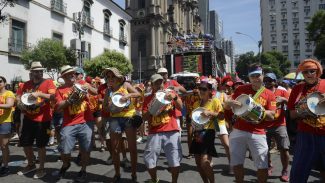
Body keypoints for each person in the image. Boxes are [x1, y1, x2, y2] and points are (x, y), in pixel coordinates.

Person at [224, 64, 276, 183]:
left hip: (258, 133)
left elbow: (272, 116)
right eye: (252, 76)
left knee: (262, 165)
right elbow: (227, 107)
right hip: (238, 130)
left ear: (263, 75)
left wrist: (257, 110)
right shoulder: (240, 89)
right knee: (236, 163)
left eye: (258, 75)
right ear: (249, 77)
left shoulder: (269, 94)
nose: (255, 78)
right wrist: (229, 103)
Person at [16, 62, 56, 179]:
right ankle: (31, 164)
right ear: (31, 72)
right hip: (28, 118)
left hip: (43, 120)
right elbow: (18, 97)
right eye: (36, 71)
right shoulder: (25, 84)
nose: (38, 73)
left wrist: (39, 94)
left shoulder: (48, 82)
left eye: (40, 71)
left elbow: (53, 97)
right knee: (25, 143)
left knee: (41, 145)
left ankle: (41, 168)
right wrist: (19, 104)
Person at [288, 59, 325, 182]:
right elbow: (292, 114)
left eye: (312, 71)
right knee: (298, 173)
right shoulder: (297, 89)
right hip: (305, 135)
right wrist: (304, 110)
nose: (309, 74)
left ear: (318, 71)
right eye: (305, 72)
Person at [54, 65, 93, 182]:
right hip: (69, 123)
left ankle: (83, 170)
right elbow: (58, 108)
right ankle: (66, 164)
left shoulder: (82, 85)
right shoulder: (60, 90)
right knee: (65, 149)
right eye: (69, 74)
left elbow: (96, 92)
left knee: (85, 149)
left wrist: (88, 87)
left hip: (86, 121)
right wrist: (70, 100)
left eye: (73, 73)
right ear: (64, 76)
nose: (72, 75)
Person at [142, 74, 183, 183]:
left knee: (175, 160)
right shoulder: (148, 98)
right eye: (156, 83)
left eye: (160, 82)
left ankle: (174, 181)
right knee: (149, 161)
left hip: (172, 130)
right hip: (154, 132)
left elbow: (180, 107)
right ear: (152, 84)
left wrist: (174, 97)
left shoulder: (171, 93)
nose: (159, 85)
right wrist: (152, 107)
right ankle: (155, 179)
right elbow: (144, 117)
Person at [102, 67, 140, 182]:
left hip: (128, 117)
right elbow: (104, 107)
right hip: (115, 119)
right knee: (115, 149)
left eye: (112, 76)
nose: (110, 78)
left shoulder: (125, 85)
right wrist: (108, 105)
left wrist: (128, 96)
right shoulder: (108, 91)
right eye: (108, 77)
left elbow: (138, 94)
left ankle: (133, 174)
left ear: (118, 77)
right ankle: (117, 174)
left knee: (132, 148)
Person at [189, 82, 224, 183]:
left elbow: (222, 116)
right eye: (200, 89)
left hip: (208, 132)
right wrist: (190, 135)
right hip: (197, 133)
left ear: (209, 91)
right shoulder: (196, 104)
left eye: (204, 89)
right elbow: (193, 121)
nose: (201, 91)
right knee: (198, 163)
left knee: (204, 162)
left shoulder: (214, 101)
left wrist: (210, 113)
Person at [263, 73, 290, 182]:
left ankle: (285, 170)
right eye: (266, 80)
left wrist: (283, 99)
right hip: (265, 124)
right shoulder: (262, 92)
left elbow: (292, 104)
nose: (268, 82)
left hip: (280, 124)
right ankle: (269, 166)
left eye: (270, 80)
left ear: (275, 81)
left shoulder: (282, 91)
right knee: (265, 149)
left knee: (284, 149)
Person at [0, 76, 15, 176]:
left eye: (0, 81)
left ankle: (6, 167)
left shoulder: (8, 93)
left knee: (4, 146)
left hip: (5, 122)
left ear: (5, 83)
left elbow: (9, 105)